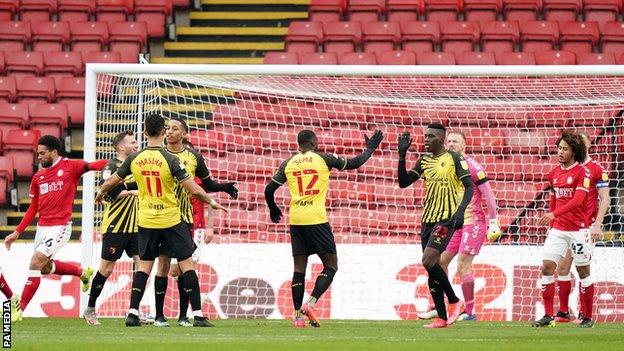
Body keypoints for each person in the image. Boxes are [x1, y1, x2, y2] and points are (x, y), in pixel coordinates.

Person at [96, 113, 227, 328]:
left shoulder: (134, 159)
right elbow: (193, 188)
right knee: (187, 264)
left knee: (145, 266)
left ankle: (132, 313)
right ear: (163, 131)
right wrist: (211, 202)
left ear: (145, 132)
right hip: (171, 219)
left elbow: (112, 180)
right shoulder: (171, 159)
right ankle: (197, 316)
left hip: (147, 220)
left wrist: (101, 193)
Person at [265, 129, 383, 328]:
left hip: (296, 220)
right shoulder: (323, 159)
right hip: (316, 219)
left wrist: (273, 209)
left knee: (299, 269)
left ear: (298, 144)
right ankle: (310, 304)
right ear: (313, 143)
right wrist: (370, 148)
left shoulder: (289, 163)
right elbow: (355, 163)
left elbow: (269, 190)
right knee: (331, 265)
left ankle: (296, 317)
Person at [4, 135, 108, 322]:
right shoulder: (38, 177)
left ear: (54, 152)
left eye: (42, 153)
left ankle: (19, 310)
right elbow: (33, 207)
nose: (39, 157)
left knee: (35, 262)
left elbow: (93, 166)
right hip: (42, 228)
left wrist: (117, 164)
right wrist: (17, 231)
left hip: (60, 227)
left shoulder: (70, 166)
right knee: (44, 268)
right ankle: (83, 273)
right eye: (38, 154)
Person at [153, 118, 237, 327]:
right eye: (168, 129)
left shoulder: (193, 159)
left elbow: (206, 187)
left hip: (188, 221)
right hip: (162, 218)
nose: (170, 132)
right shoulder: (158, 157)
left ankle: (184, 316)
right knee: (165, 266)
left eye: (175, 129)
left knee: (183, 267)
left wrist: (223, 188)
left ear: (185, 135)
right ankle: (159, 316)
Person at [397, 124, 474, 328]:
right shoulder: (424, 161)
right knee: (431, 268)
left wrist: (459, 212)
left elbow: (469, 187)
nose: (426, 139)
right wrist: (402, 155)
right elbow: (403, 182)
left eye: (430, 136)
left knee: (430, 261)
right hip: (427, 220)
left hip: (446, 219)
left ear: (441, 139)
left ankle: (455, 301)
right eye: (425, 136)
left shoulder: (454, 159)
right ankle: (441, 317)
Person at [419, 131, 500, 322]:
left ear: (464, 145)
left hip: (473, 222)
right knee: (438, 263)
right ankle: (441, 306)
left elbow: (488, 194)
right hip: (453, 222)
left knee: (463, 264)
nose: (451, 144)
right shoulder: (445, 166)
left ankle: (470, 312)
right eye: (448, 141)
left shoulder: (472, 167)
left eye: (455, 141)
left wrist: (494, 221)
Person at [533, 130, 595, 328]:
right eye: (559, 148)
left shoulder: (582, 172)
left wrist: (554, 214)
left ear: (574, 151)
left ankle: (587, 317)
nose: (560, 152)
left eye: (565, 149)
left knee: (583, 271)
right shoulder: (554, 173)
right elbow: (553, 199)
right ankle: (548, 315)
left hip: (578, 230)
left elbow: (578, 200)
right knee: (547, 267)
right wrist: (552, 222)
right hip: (558, 229)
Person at [83, 131, 140, 325]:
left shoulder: (138, 166)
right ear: (122, 147)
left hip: (136, 227)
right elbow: (109, 193)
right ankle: (90, 308)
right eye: (133, 142)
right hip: (116, 226)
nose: (137, 144)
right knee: (106, 269)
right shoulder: (111, 166)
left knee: (143, 267)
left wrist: (129, 188)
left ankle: (134, 312)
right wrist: (133, 190)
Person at [553, 131, 609, 325]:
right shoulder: (566, 169)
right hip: (565, 226)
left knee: (582, 268)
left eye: (582, 144)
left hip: (584, 228)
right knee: (562, 267)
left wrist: (597, 224)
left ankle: (586, 315)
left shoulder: (597, 169)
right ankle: (563, 312)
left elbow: (605, 199)